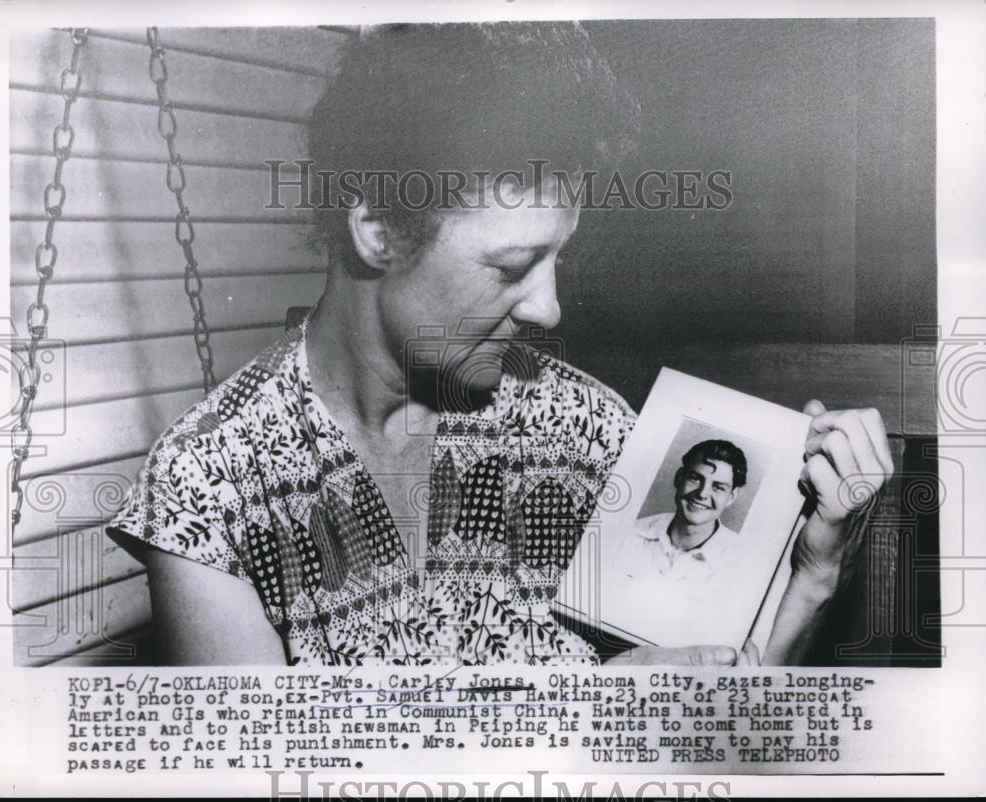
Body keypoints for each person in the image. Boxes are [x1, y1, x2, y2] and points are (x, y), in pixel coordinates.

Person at [106, 22, 894, 667]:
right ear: (379, 228)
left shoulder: (582, 428)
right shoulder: (212, 485)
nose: (549, 309)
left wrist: (815, 578)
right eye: (512, 266)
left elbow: (722, 719)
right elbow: (264, 772)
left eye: (559, 258)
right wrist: (581, 723)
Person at [630, 440, 748, 583]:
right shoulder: (630, 533)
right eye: (695, 479)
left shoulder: (741, 562)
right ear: (679, 478)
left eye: (718, 487)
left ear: (731, 497)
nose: (702, 494)